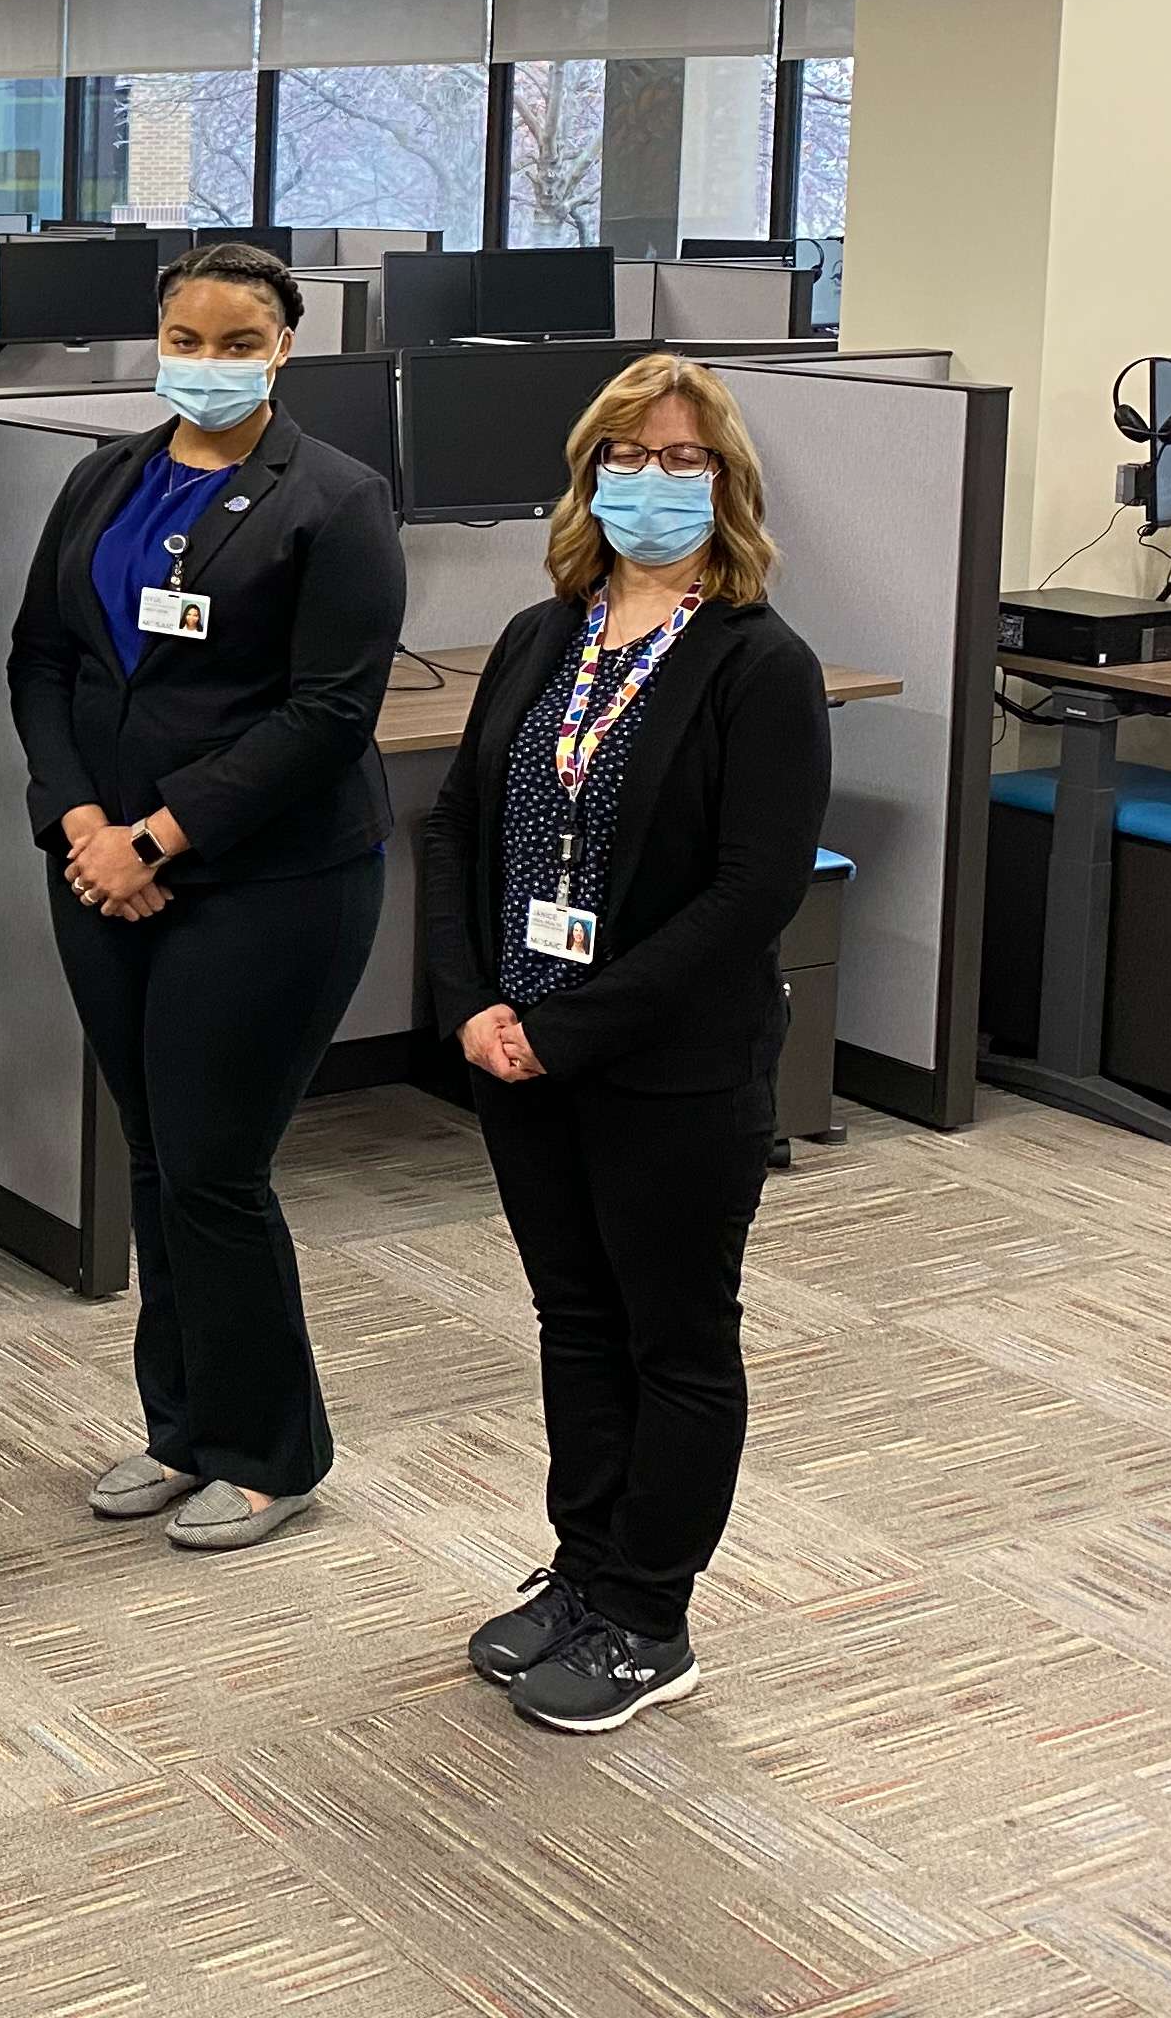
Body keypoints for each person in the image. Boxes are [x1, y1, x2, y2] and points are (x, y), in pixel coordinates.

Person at [418, 351, 831, 1735]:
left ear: (729, 486)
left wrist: (571, 1026)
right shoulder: (550, 633)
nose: (653, 485)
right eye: (630, 458)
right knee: (574, 1320)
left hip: (666, 1063)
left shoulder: (757, 663)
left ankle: (653, 1613)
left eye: (683, 462)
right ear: (591, 474)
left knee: (677, 1340)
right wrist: (474, 1000)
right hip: (521, 1045)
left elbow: (752, 892)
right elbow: (460, 826)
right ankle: (584, 1568)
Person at [7, 239, 405, 1555]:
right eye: (190, 337)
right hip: (97, 865)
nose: (211, 362)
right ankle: (180, 1427)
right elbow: (43, 663)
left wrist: (158, 838)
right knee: (154, 1159)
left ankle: (271, 1450)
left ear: (284, 348)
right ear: (157, 338)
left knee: (218, 1172)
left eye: (240, 342)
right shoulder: (106, 476)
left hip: (264, 883)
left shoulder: (335, 500)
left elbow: (329, 715)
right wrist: (80, 822)